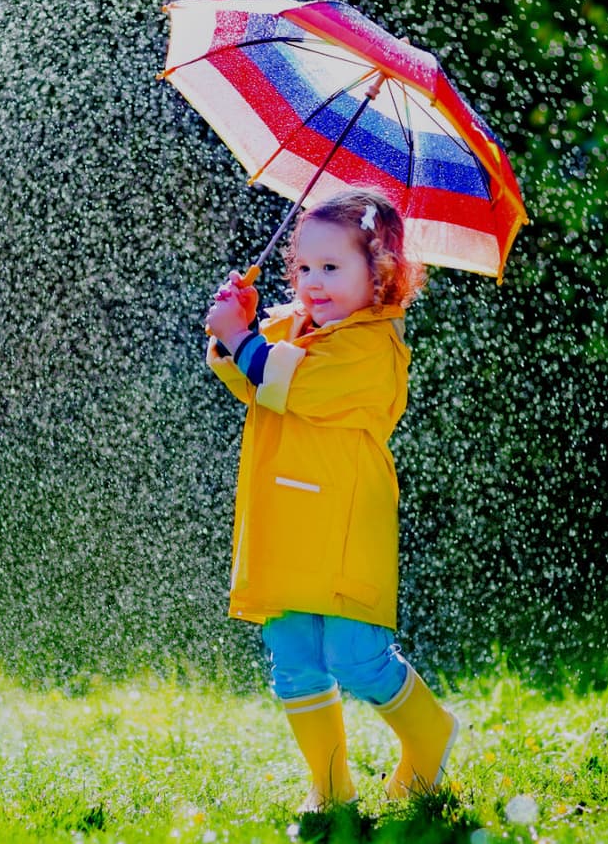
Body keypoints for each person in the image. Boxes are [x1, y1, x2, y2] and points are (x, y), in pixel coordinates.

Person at [203, 188, 457, 812]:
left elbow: (290, 384)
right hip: (286, 518)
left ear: (382, 274)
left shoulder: (374, 345)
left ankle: (430, 735)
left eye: (332, 268)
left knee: (356, 655)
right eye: (303, 267)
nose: (312, 283)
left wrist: (244, 340)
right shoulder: (297, 324)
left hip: (345, 521)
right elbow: (242, 373)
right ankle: (331, 784)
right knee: (292, 655)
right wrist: (235, 322)